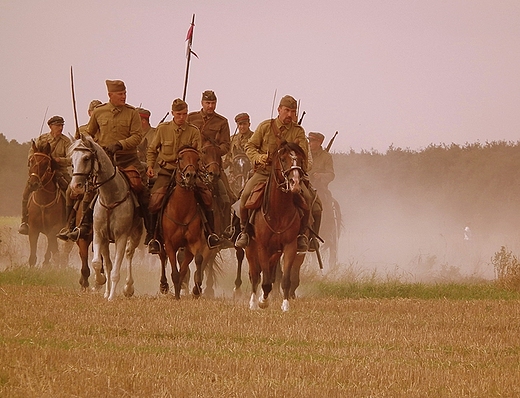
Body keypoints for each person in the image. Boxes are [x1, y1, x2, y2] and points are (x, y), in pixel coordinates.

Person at [60, 79, 154, 244]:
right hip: (105, 161)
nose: (123, 96)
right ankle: (82, 225)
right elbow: (89, 134)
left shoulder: (131, 113)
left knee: (142, 190)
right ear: (110, 95)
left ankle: (151, 233)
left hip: (128, 160)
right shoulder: (99, 113)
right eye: (120, 94)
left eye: (124, 93)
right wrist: (82, 142)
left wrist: (119, 144)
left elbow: (137, 137)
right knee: (90, 190)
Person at [235, 95, 322, 252]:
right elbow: (250, 146)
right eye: (287, 111)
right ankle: (244, 232)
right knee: (245, 195)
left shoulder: (298, 132)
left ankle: (304, 236)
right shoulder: (265, 127)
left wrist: (296, 167)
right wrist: (260, 158)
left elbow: (302, 155)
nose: (290, 115)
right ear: (279, 110)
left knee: (309, 199)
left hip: (289, 175)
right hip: (265, 173)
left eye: (293, 111)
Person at [146, 98, 220, 254]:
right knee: (154, 199)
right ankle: (153, 237)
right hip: (167, 171)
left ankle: (210, 234)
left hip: (189, 173)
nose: (182, 117)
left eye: (185, 114)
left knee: (206, 197)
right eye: (179, 114)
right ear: (173, 113)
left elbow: (199, 153)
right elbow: (152, 150)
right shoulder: (162, 129)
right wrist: (150, 166)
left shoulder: (193, 131)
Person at [187, 90, 234, 236]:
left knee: (227, 198)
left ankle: (226, 232)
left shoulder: (222, 122)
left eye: (213, 103)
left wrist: (213, 151)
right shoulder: (191, 118)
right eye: (208, 103)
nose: (211, 106)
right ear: (202, 103)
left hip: (213, 166)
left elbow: (226, 145)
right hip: (192, 165)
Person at [19, 116, 71, 235]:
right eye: (58, 125)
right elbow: (31, 153)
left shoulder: (66, 141)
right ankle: (24, 222)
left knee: (70, 191)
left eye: (62, 125)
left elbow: (71, 159)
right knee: (26, 192)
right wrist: (35, 160)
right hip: (40, 172)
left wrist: (59, 160)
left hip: (60, 171)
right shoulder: (42, 139)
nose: (60, 128)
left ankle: (69, 223)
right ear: (50, 126)